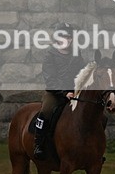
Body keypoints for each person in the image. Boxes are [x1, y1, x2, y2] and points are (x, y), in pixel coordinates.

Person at [34, 22, 84, 160]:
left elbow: (82, 72)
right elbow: (50, 79)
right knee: (46, 111)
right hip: (55, 93)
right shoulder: (50, 55)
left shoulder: (76, 53)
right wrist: (64, 93)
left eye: (69, 37)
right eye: (63, 37)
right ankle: (39, 143)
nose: (66, 40)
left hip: (74, 92)